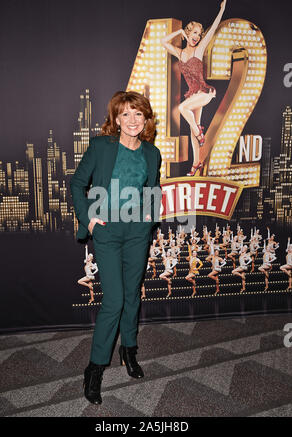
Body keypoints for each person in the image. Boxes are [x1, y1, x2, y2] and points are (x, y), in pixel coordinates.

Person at [70, 91, 162, 405]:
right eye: (126, 114)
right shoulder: (101, 147)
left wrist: (150, 217)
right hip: (107, 231)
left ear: (146, 119)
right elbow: (77, 182)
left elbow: (153, 187)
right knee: (116, 300)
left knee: (133, 296)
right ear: (116, 119)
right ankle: (95, 368)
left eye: (138, 114)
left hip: (137, 231)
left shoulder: (152, 152)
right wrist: (90, 220)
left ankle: (129, 351)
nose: (133, 121)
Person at [161, 0, 227, 176]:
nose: (197, 36)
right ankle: (196, 163)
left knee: (183, 108)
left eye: (199, 34)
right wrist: (179, 31)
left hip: (204, 92)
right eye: (194, 33)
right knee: (192, 127)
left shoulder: (200, 49)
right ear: (188, 33)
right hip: (193, 94)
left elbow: (213, 29)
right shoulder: (180, 53)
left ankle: (200, 134)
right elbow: (163, 41)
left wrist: (223, 10)